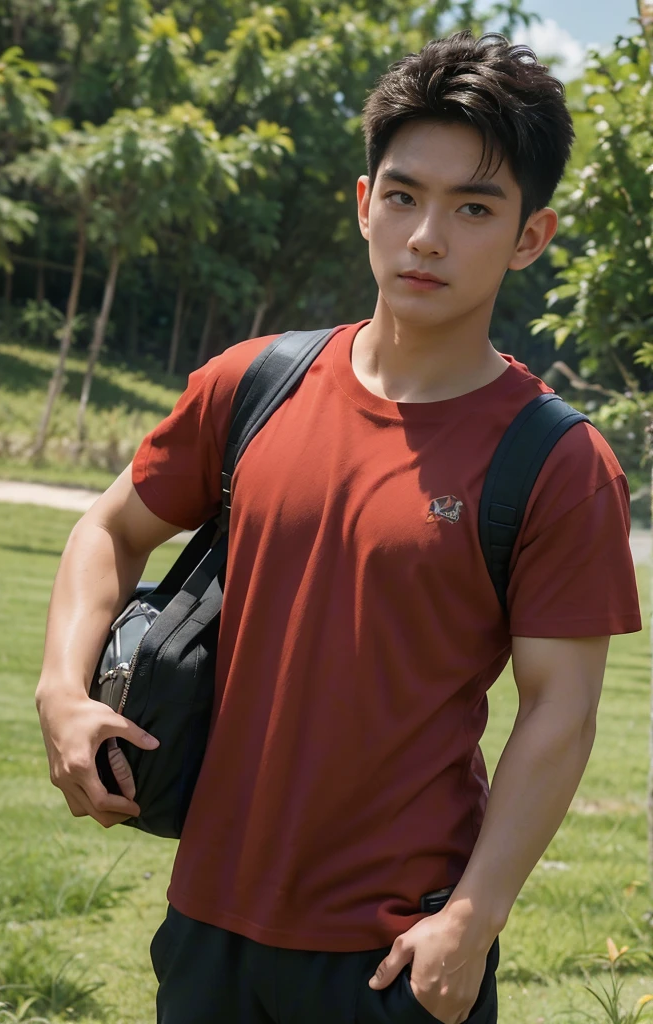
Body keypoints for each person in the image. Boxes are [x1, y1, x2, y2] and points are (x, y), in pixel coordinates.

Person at [36, 29, 641, 1024]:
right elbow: (108, 528)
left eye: (472, 207)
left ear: (529, 237)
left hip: (395, 951)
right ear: (364, 205)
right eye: (401, 196)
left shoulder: (558, 464)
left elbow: (558, 712)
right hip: (206, 924)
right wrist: (62, 693)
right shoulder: (251, 384)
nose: (425, 237)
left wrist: (472, 920)